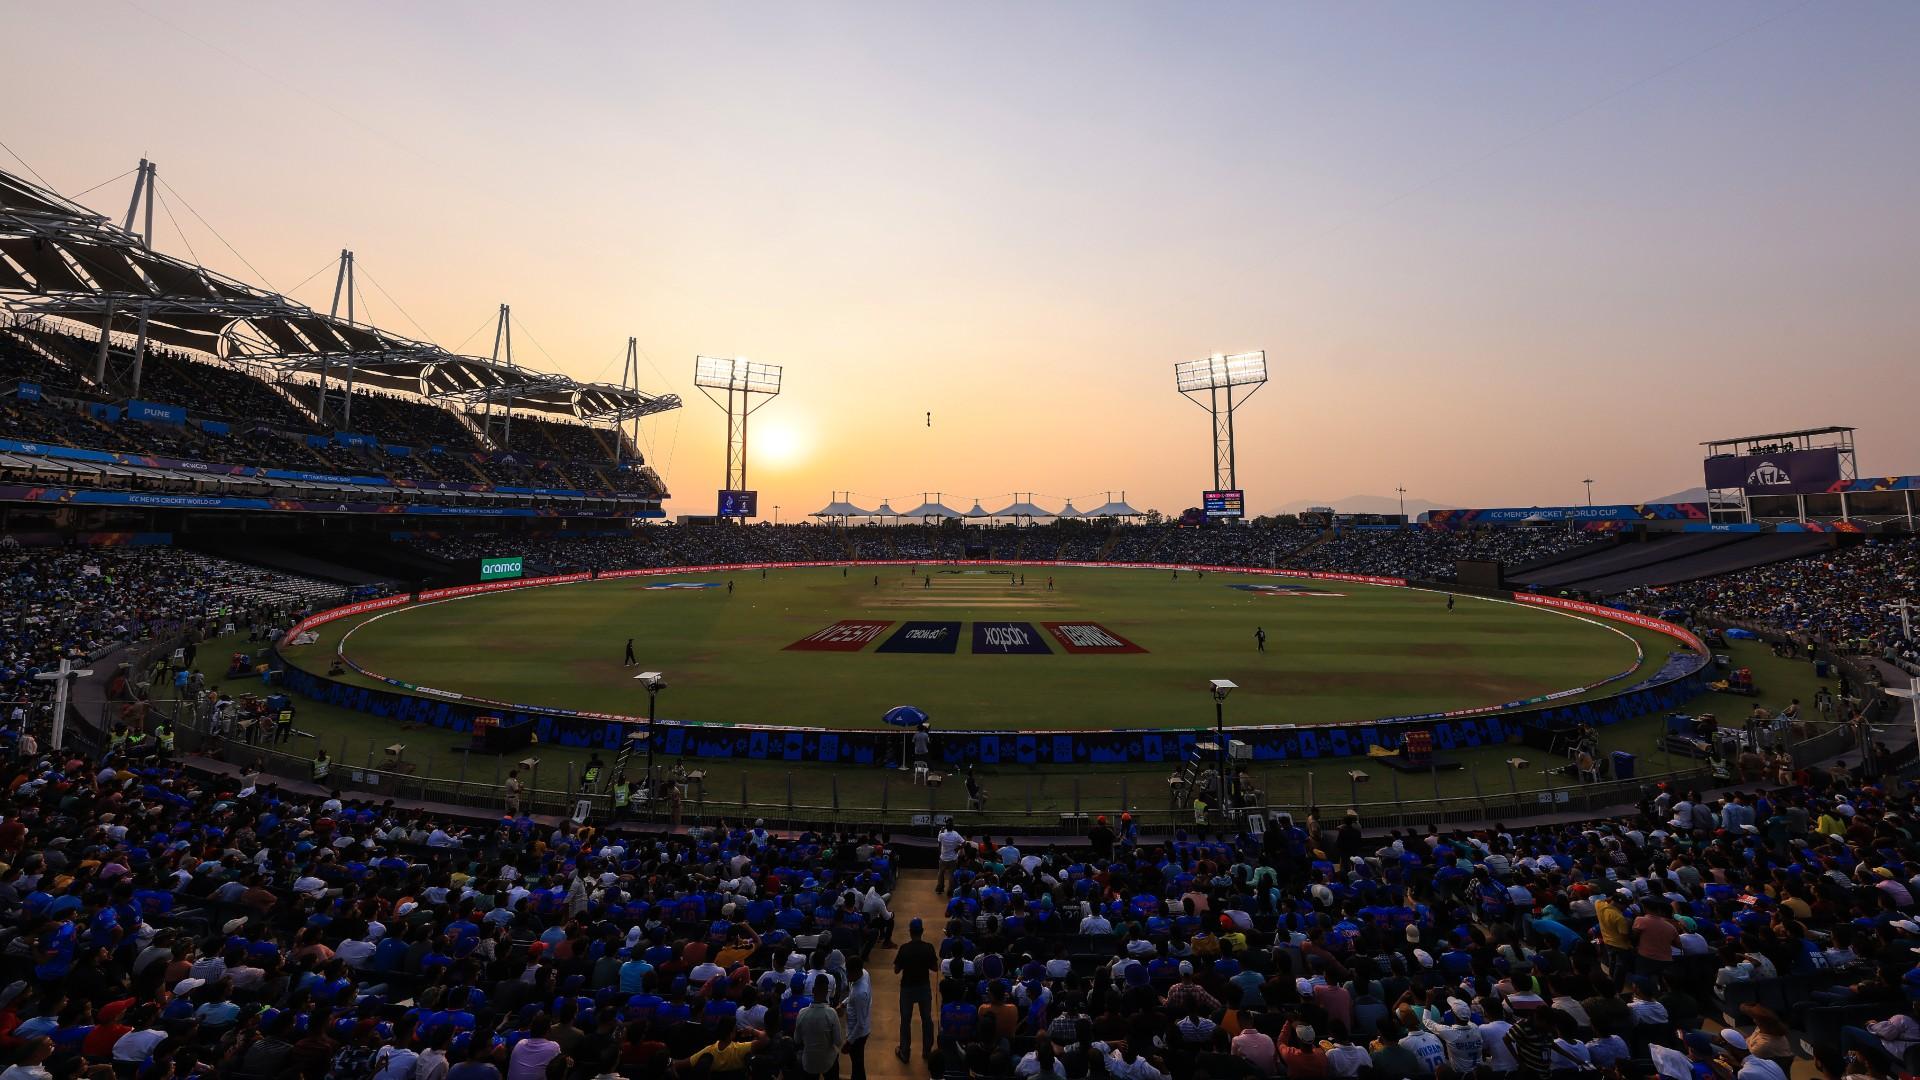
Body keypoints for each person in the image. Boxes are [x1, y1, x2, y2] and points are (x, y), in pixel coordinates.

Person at [894, 918, 937, 1063]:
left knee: (905, 1020)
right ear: (922, 931)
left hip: (907, 988)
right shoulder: (929, 947)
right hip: (924, 987)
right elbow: (934, 968)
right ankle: (926, 1050)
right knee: (927, 1019)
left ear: (910, 932)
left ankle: (905, 1052)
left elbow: (896, 970)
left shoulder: (904, 949)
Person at [795, 975, 845, 1080]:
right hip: (828, 1062)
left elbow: (797, 1040)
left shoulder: (802, 1013)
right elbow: (838, 1042)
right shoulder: (831, 1014)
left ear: (813, 990)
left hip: (809, 1063)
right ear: (827, 992)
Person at [843, 955, 872, 1080]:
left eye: (848, 973)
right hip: (857, 1032)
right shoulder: (864, 973)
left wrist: (849, 1041)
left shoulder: (861, 993)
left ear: (856, 971)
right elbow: (851, 994)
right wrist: (843, 1003)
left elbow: (860, 1023)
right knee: (857, 1064)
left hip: (857, 1036)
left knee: (857, 1065)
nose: (846, 976)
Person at [935, 823, 963, 894]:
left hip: (943, 858)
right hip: (952, 859)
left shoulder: (942, 834)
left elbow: (939, 843)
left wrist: (941, 831)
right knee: (951, 874)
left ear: (946, 828)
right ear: (952, 827)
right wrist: (957, 848)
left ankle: (940, 888)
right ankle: (950, 890)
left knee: (941, 873)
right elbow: (964, 843)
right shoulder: (956, 834)